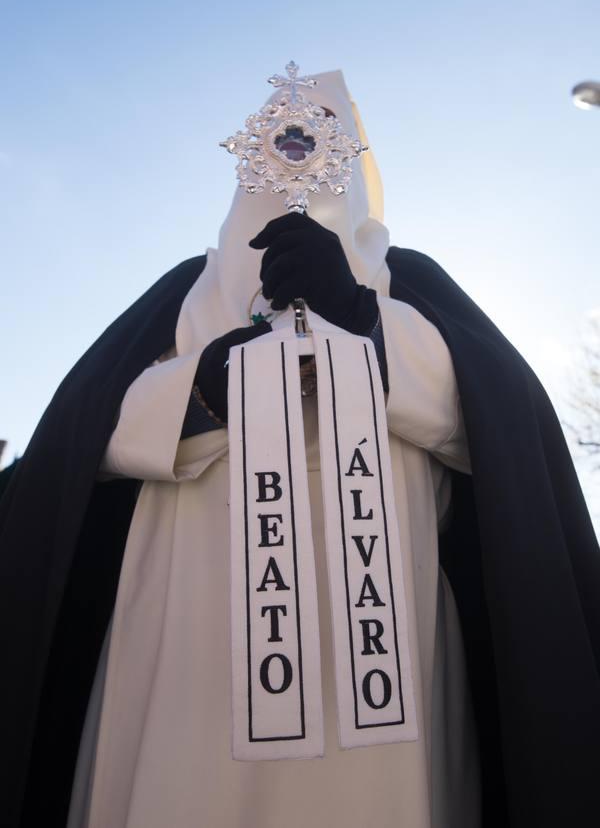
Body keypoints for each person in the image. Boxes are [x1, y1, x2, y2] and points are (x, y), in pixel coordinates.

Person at [1, 70, 599, 828]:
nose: (298, 147)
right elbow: (82, 436)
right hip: (184, 635)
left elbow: (498, 421)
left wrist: (364, 321)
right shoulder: (184, 294)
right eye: (282, 133)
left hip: (385, 640)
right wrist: (201, 389)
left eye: (319, 129)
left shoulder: (407, 285)